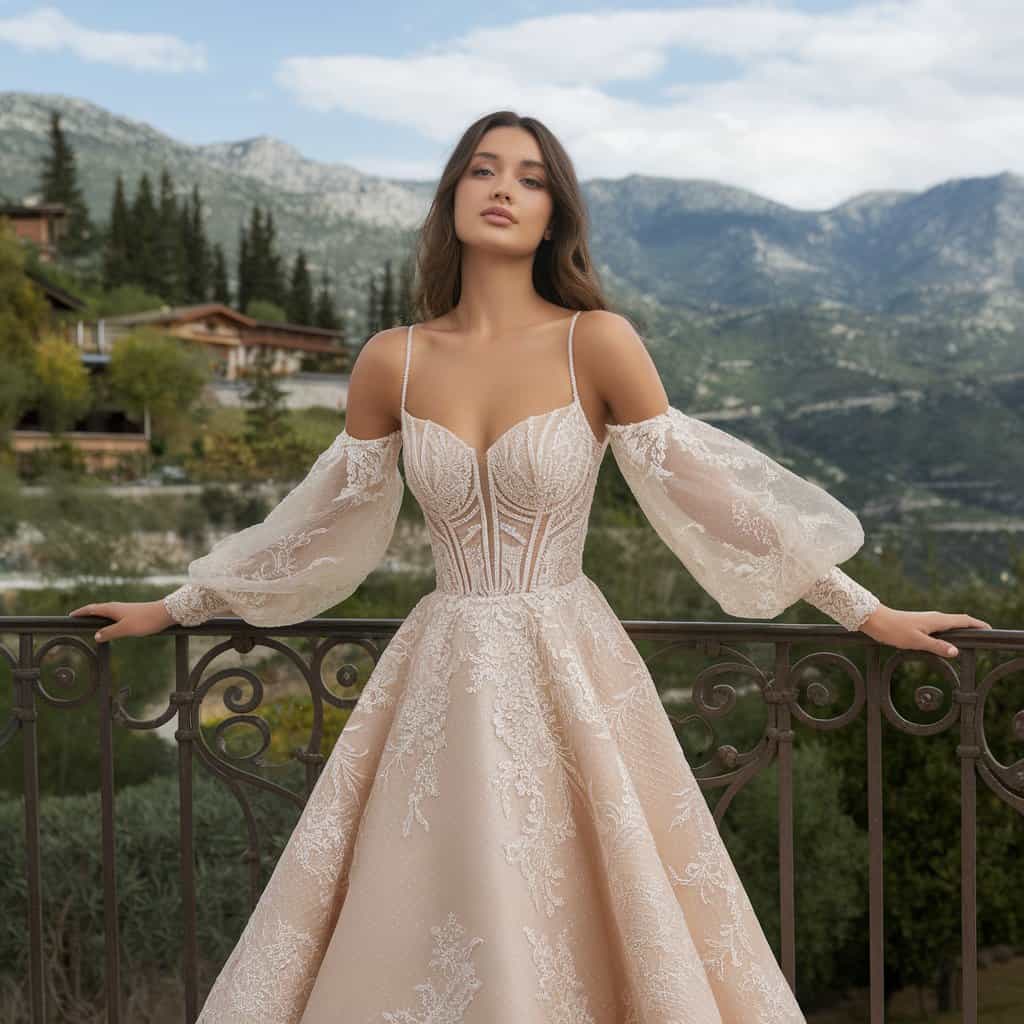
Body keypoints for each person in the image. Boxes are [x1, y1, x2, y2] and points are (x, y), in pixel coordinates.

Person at [70, 110, 990, 1022]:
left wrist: (864, 613)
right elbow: (321, 520)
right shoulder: (390, 360)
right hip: (441, 674)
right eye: (482, 169)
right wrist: (179, 605)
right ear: (452, 198)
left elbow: (706, 499)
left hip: (568, 666)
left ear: (555, 216)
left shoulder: (597, 341)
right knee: (435, 899)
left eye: (531, 176)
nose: (504, 187)